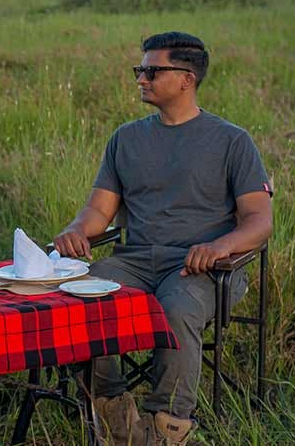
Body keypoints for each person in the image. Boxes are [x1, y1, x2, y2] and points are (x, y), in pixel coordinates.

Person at [53, 32, 273, 445]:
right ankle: (112, 409)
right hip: (135, 260)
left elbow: (259, 221)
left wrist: (220, 246)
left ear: (186, 78)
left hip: (204, 266)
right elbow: (100, 211)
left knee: (177, 308)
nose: (141, 79)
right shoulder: (127, 138)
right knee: (79, 292)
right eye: (141, 70)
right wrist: (75, 230)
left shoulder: (231, 141)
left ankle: (167, 425)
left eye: (151, 71)